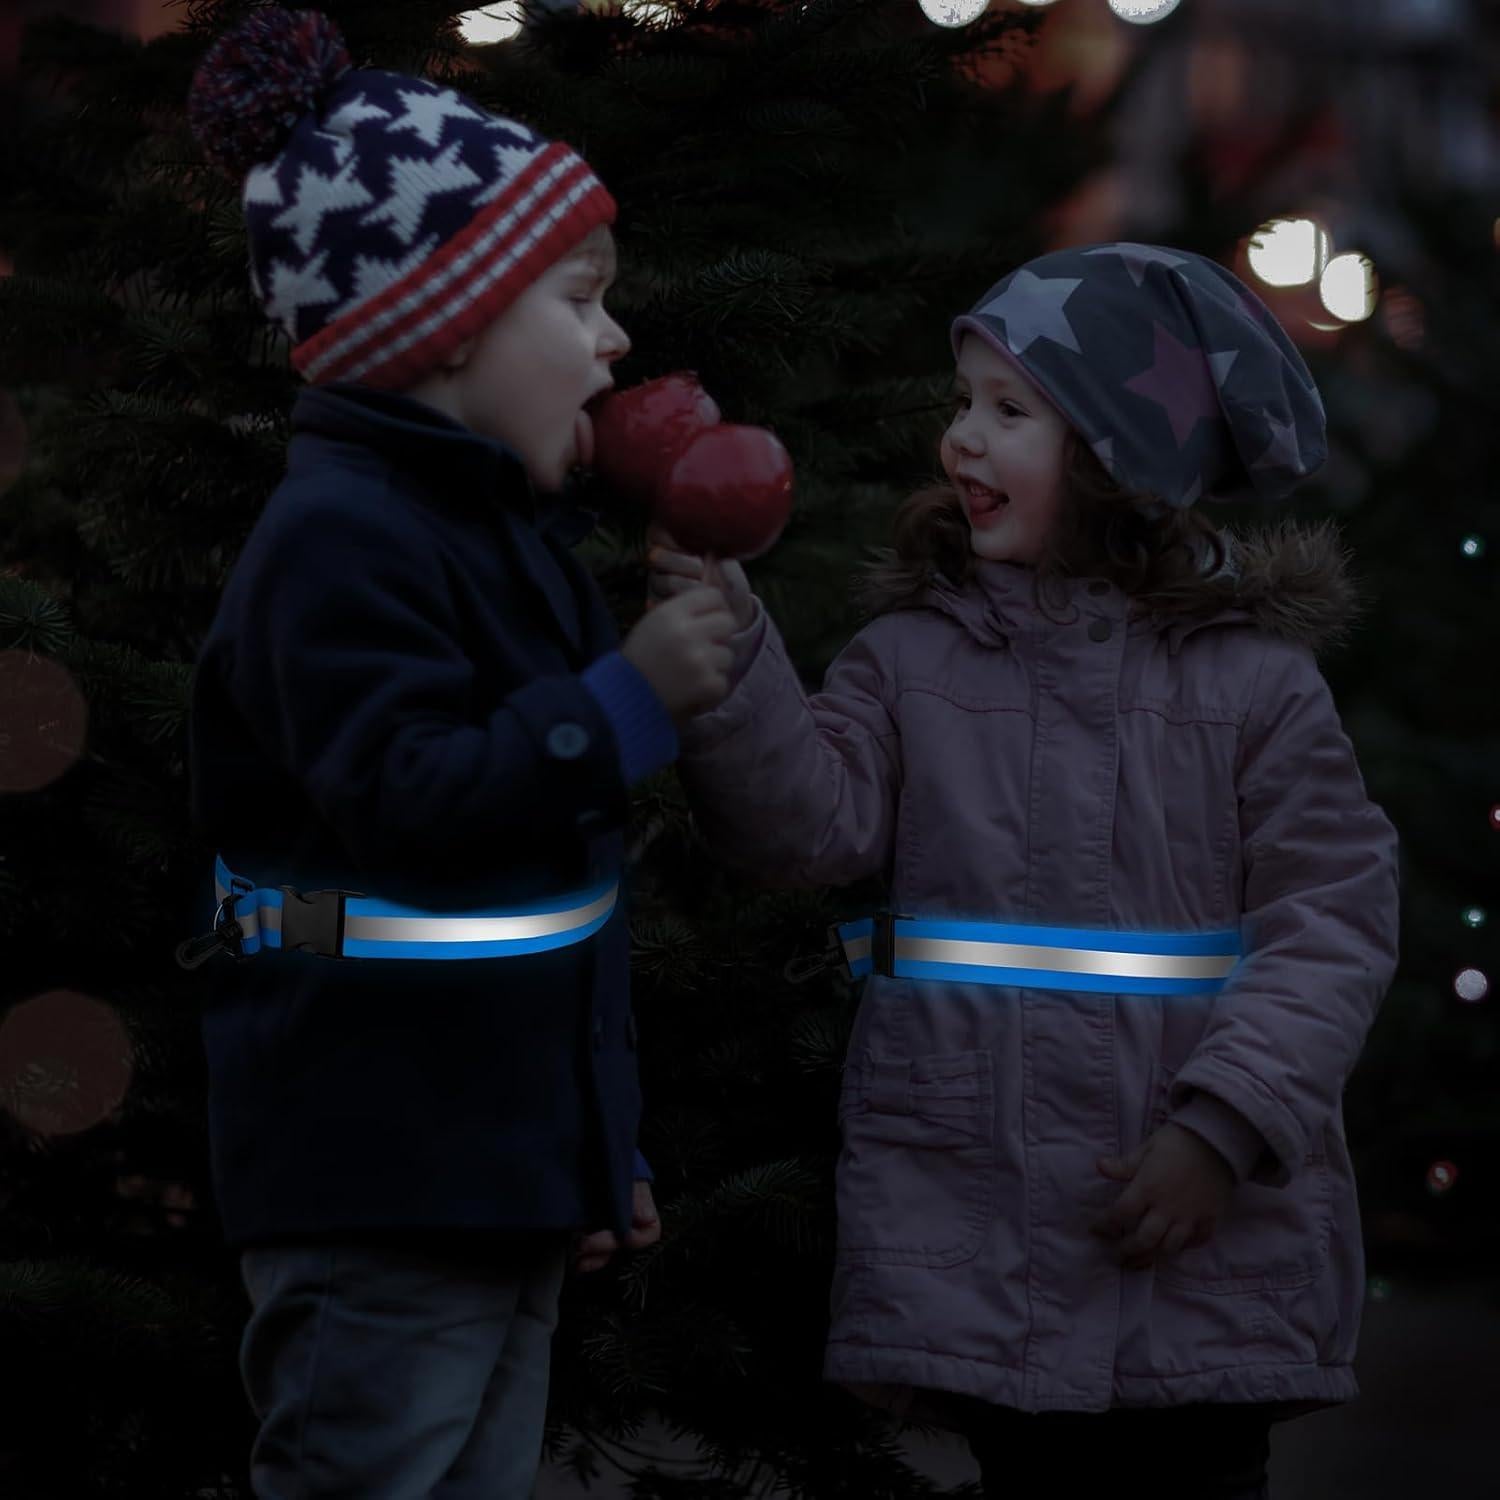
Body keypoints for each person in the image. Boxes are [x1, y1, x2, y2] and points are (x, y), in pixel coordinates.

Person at [646, 242, 1401, 1499]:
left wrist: (1224, 1130)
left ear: (1121, 461)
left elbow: (1331, 922)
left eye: (1010, 413)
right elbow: (802, 831)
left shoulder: (1256, 687)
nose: (961, 442)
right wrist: (726, 646)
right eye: (961, 405)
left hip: (1195, 1242)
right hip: (984, 1222)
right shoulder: (911, 661)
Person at [178, 8, 737, 1497]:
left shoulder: (500, 532)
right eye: (578, 300)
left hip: (486, 1169)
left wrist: (591, 1150)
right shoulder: (336, 545)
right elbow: (410, 798)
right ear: (443, 325)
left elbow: (552, 897)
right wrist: (624, 703)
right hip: (375, 1171)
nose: (617, 342)